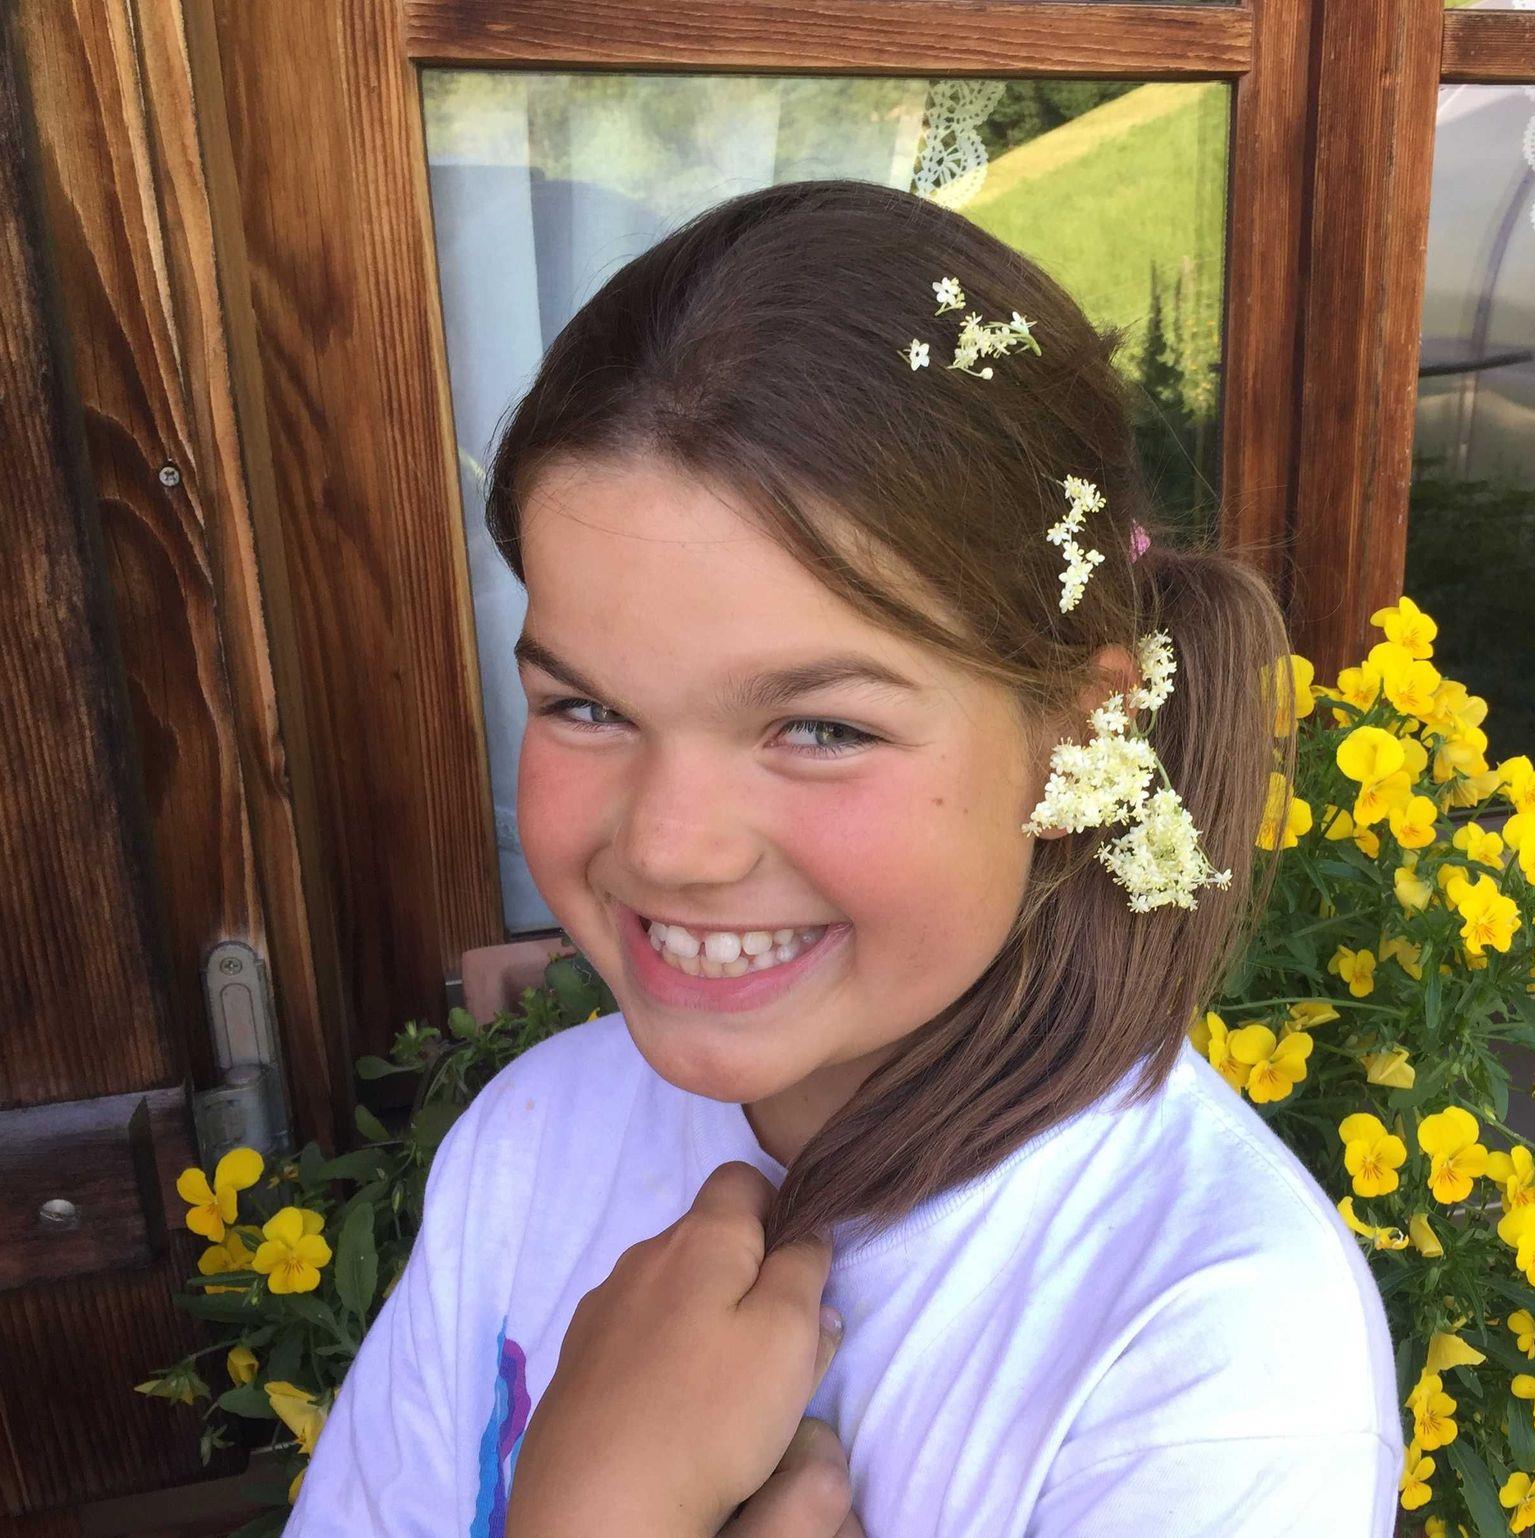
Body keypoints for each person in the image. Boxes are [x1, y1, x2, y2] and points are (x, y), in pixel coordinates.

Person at [285, 178, 1402, 1537]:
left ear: (1081, 736)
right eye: (585, 706)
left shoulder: (1213, 1352)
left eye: (820, 727)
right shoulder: (529, 1142)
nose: (670, 846)